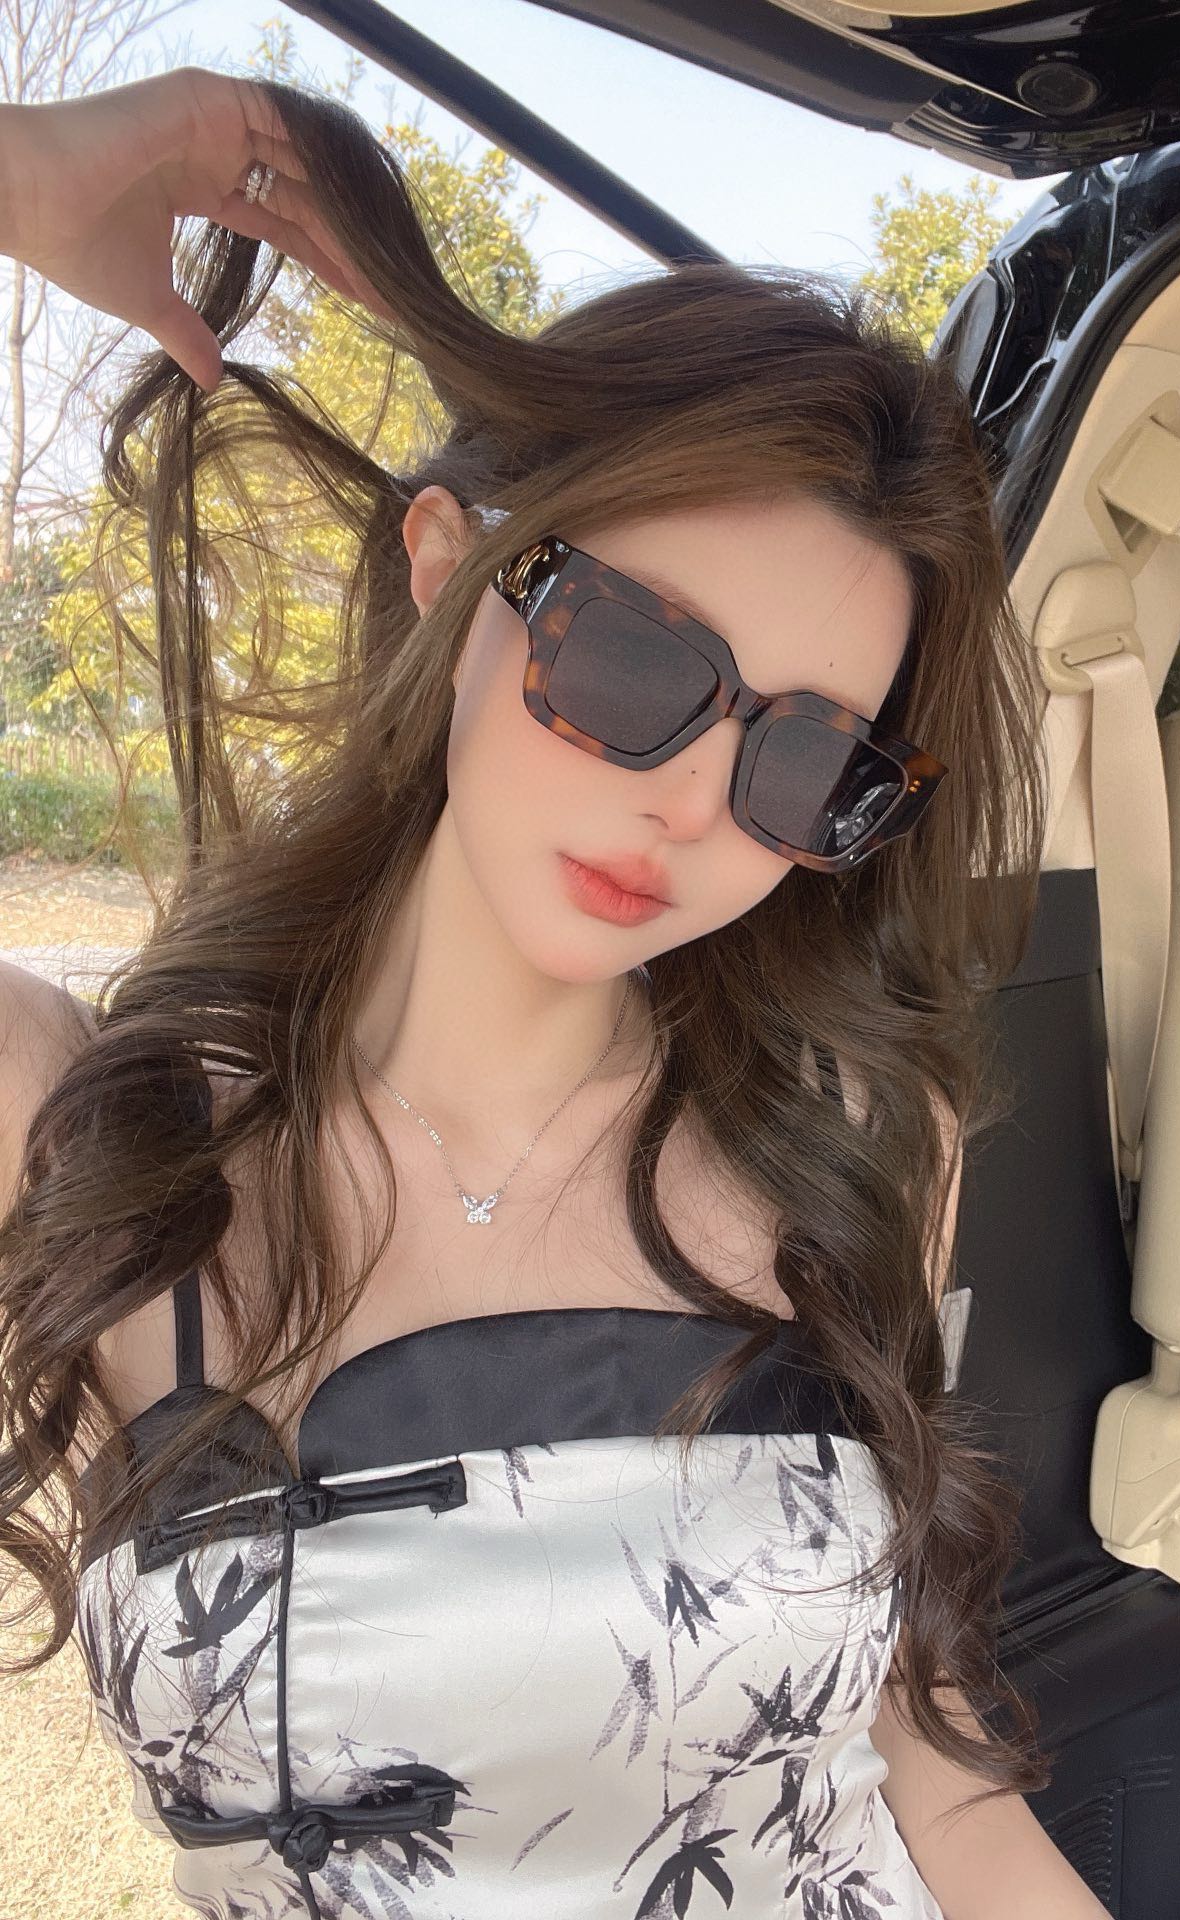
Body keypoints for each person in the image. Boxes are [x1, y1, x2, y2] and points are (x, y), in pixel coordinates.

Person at [0, 66, 1104, 1920]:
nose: (693, 805)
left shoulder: (855, 1145)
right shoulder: (83, 1127)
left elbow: (928, 1770)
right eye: (636, 661)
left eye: (804, 762)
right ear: (454, 573)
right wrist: (26, 168)